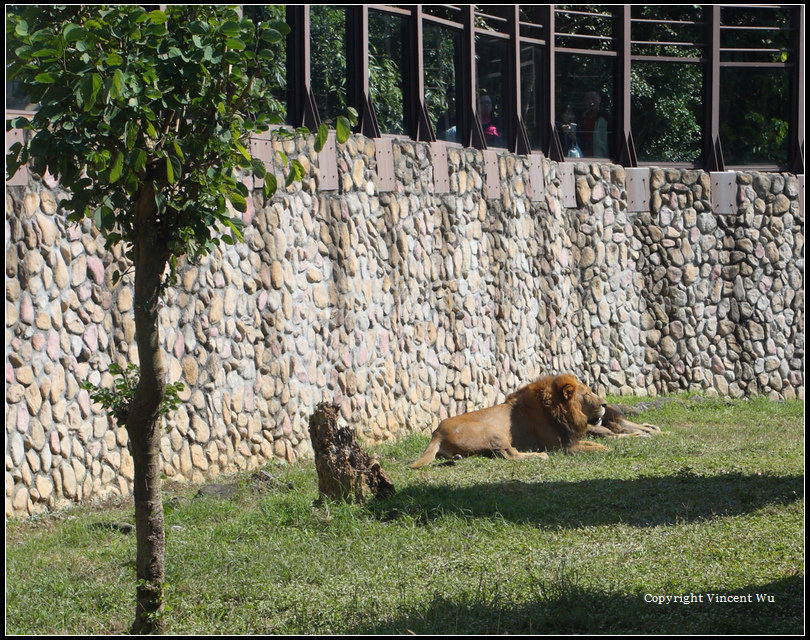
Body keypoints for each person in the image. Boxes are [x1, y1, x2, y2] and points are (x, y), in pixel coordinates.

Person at [580, 87, 610, 157]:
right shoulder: (582, 118)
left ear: (599, 99)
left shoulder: (606, 117)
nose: (591, 102)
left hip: (601, 158)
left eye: (593, 98)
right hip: (584, 157)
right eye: (587, 99)